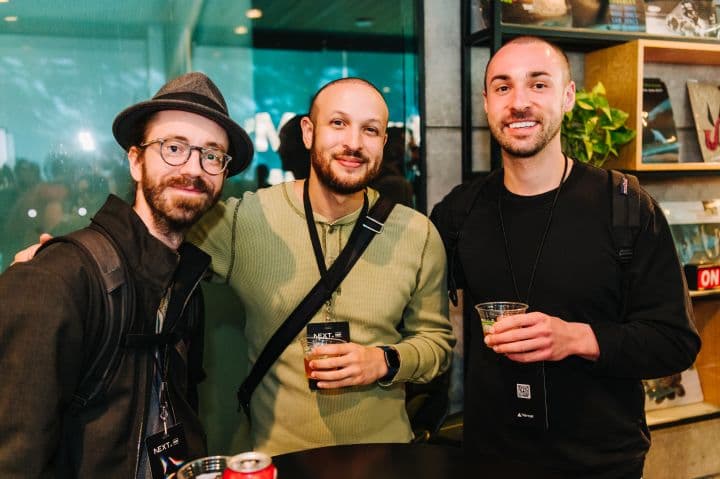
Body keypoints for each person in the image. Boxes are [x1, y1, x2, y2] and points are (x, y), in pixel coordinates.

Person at [430, 36, 701, 478]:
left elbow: (675, 341)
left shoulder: (626, 207)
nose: (519, 102)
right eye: (503, 87)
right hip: (490, 460)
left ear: (568, 96)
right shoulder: (460, 212)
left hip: (600, 464)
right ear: (486, 102)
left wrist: (575, 339)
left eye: (538, 85)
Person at [0, 71, 253, 478]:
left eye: (211, 155)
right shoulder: (59, 278)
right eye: (173, 147)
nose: (193, 168)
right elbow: (15, 458)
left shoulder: (186, 284)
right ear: (135, 161)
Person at [188, 77, 455, 456]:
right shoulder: (245, 220)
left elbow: (437, 344)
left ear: (383, 142)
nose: (354, 143)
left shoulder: (417, 234)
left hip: (384, 458)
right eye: (339, 124)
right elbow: (160, 240)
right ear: (309, 133)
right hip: (276, 457)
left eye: (370, 130)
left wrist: (385, 360)